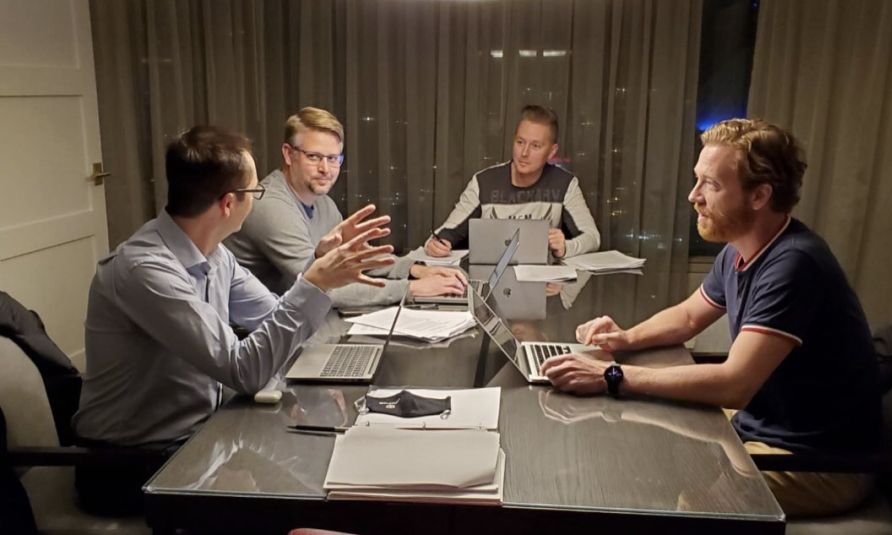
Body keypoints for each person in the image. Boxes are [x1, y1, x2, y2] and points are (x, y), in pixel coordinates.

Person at [540, 118, 881, 517]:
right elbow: (687, 317)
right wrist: (625, 339)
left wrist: (612, 376)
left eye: (711, 185)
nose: (693, 196)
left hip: (817, 461)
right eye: (696, 180)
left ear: (759, 196)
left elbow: (734, 384)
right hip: (765, 427)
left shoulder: (794, 264)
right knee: (648, 445)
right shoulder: (740, 250)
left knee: (680, 502)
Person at [72, 125, 394, 514]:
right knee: (307, 500)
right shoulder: (146, 270)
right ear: (228, 203)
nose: (258, 201)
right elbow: (245, 372)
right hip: (132, 465)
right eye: (254, 193)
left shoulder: (213, 253)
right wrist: (315, 283)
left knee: (329, 468)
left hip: (203, 437)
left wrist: (315, 266)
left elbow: (274, 315)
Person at [225, 107, 466, 307]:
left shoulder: (323, 203)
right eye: (314, 157)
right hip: (260, 336)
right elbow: (321, 287)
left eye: (333, 159)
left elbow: (352, 262)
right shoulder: (271, 207)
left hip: (300, 323)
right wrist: (411, 288)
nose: (325, 169)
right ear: (289, 155)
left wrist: (414, 269)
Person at [423, 105, 600, 259]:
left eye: (535, 146)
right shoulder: (484, 182)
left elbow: (592, 237)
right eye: (520, 142)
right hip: (490, 282)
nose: (524, 153)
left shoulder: (565, 184)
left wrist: (566, 247)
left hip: (542, 284)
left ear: (552, 151)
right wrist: (436, 244)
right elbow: (447, 231)